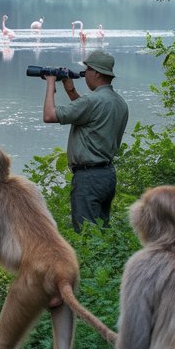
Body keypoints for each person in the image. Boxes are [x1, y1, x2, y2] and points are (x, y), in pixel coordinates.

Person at [42, 49, 129, 231]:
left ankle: (87, 260)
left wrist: (50, 83)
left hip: (88, 178)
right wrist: (70, 89)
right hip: (107, 175)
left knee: (86, 234)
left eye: (87, 70)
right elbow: (88, 114)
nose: (85, 74)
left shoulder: (92, 100)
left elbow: (50, 115)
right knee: (101, 230)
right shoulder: (119, 102)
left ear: (96, 73)